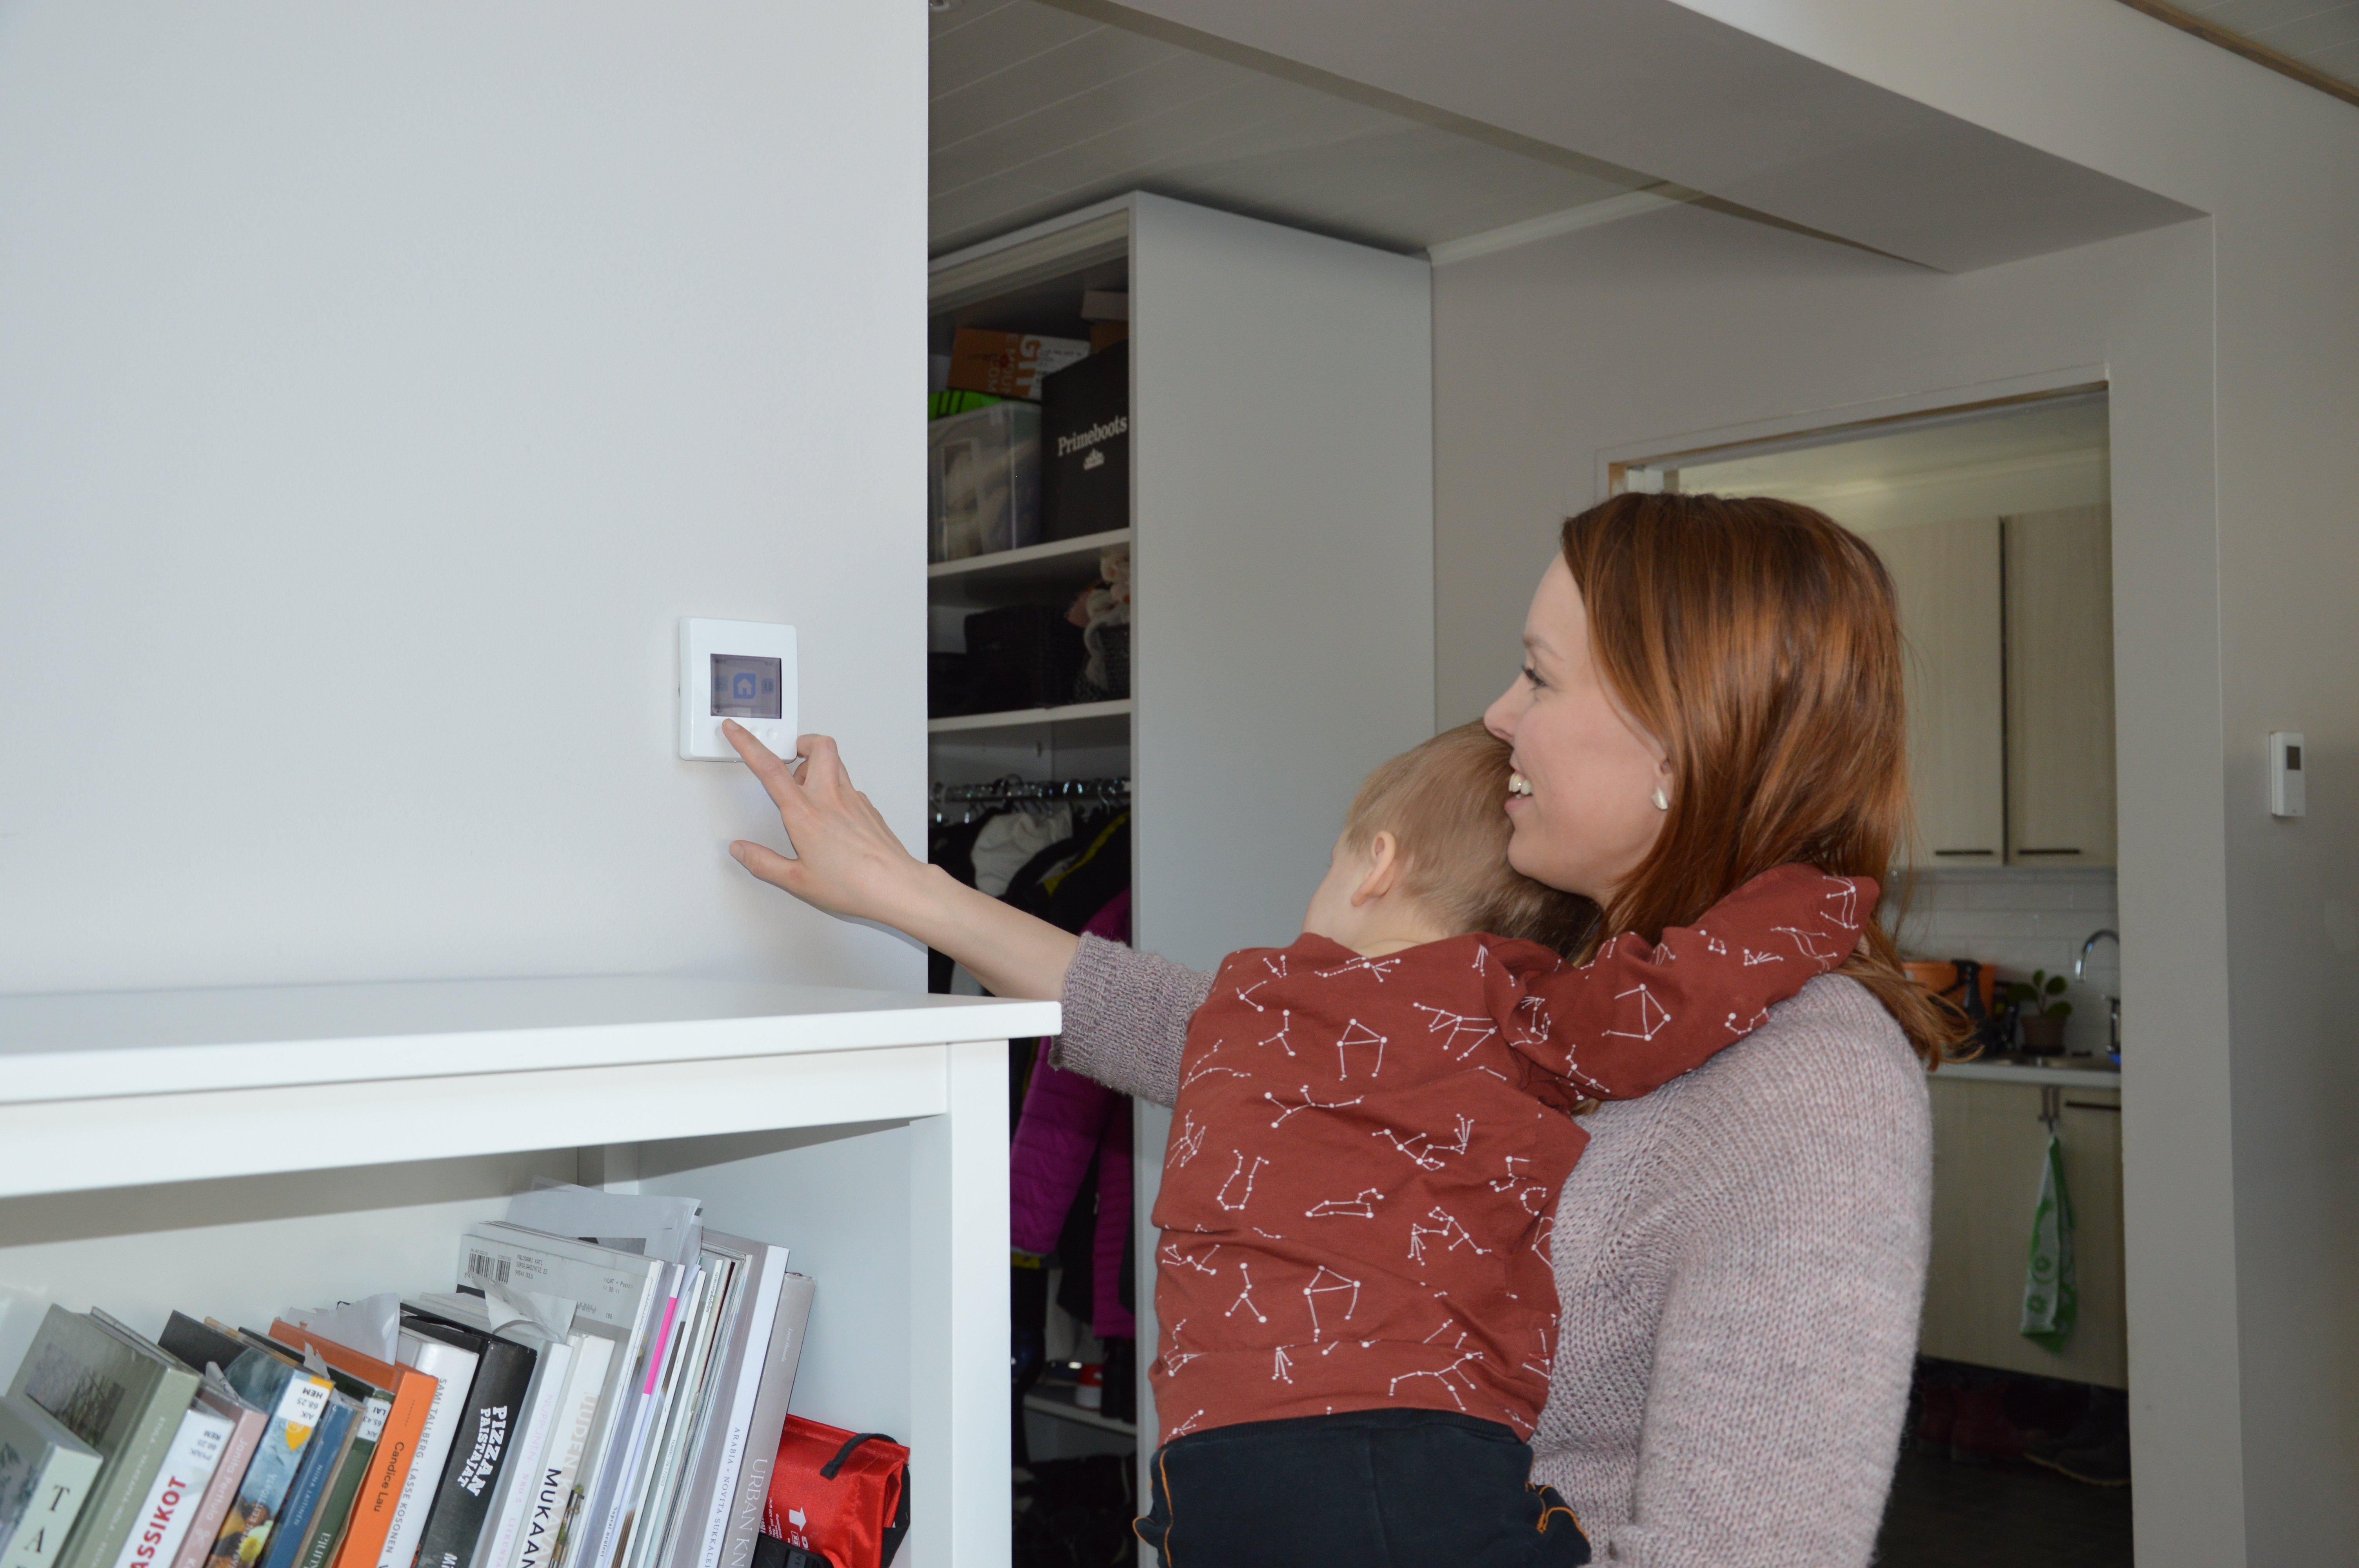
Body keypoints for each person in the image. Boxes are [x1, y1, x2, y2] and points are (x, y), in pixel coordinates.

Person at [722, 492, 1961, 1566]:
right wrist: (907, 894)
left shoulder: (1816, 1088)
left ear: (1677, 746)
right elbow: (1215, 1037)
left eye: (1539, 674)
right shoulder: (1558, 982)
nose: (1497, 716)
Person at [1124, 720, 1873, 1566]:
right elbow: (1682, 993)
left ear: (1375, 862)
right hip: (1412, 1437)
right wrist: (1819, 895)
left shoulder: (1238, 999)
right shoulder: (1510, 1005)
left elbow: (1142, 1019)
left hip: (1202, 1453)